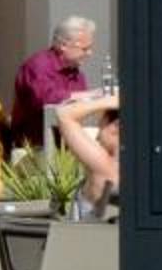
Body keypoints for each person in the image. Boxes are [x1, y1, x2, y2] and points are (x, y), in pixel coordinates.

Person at [8, 17, 98, 146]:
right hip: (35, 146)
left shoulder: (76, 74)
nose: (89, 53)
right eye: (85, 49)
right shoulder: (38, 65)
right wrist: (89, 95)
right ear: (63, 45)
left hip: (66, 143)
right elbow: (46, 99)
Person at [52, 90, 122, 217]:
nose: (97, 137)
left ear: (116, 127)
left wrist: (110, 101)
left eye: (100, 127)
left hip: (85, 228)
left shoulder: (104, 165)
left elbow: (64, 114)